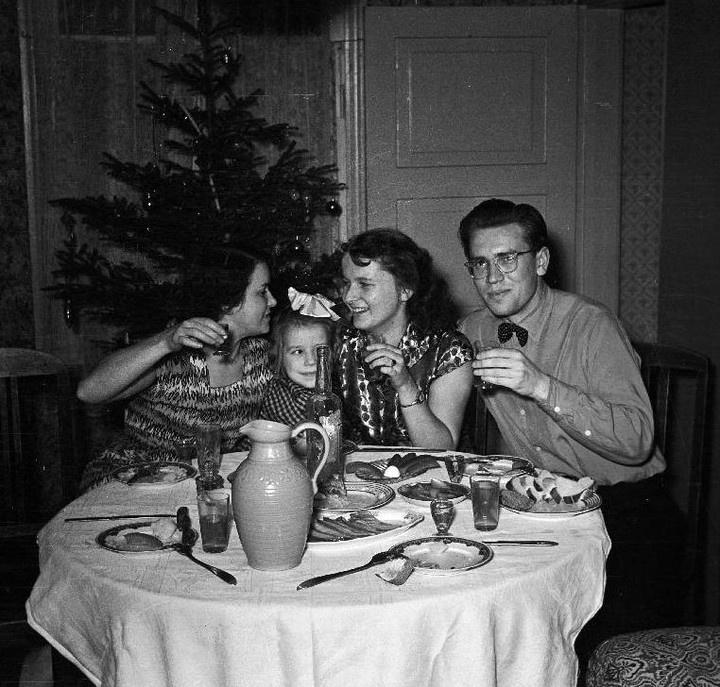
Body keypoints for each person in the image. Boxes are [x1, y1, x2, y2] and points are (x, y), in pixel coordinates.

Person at [455, 198, 684, 655]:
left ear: (540, 261)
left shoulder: (592, 325)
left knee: (600, 655)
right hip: (545, 508)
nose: (492, 277)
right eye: (480, 264)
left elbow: (637, 441)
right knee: (496, 626)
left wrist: (540, 385)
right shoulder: (473, 329)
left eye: (507, 259)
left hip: (628, 512)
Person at [77, 249, 277, 490]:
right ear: (228, 302)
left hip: (203, 481)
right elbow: (88, 392)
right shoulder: (175, 355)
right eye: (262, 292)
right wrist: (166, 342)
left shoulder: (260, 355)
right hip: (134, 479)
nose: (273, 301)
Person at [336, 228, 473, 448]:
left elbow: (441, 450)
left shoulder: (449, 351)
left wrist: (406, 385)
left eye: (365, 284)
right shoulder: (339, 341)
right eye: (346, 283)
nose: (348, 297)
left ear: (405, 290)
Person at [260, 304, 335, 427]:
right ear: (280, 356)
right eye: (298, 352)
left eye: (320, 350)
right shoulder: (284, 398)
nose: (311, 361)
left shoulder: (334, 389)